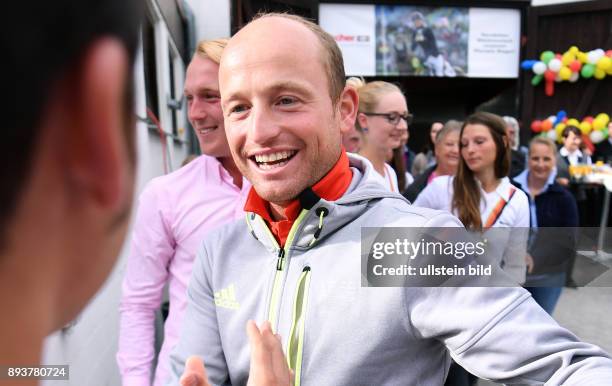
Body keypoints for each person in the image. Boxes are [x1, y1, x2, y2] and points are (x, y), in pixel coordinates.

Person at [167, 13, 612, 386]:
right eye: (239, 108)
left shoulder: (406, 241)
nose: (259, 132)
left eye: (285, 100)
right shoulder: (220, 251)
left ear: (344, 110)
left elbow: (567, 369)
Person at [117, 39, 251, 386]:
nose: (194, 113)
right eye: (189, 98)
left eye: (209, 96)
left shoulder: (285, 188)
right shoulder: (166, 194)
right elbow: (138, 304)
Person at [513, 137, 579, 314]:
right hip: (511, 272)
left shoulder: (564, 198)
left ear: (554, 161)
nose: (540, 164)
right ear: (528, 160)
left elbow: (569, 239)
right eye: (535, 158)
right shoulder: (511, 189)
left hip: (548, 274)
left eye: (546, 159)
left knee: (539, 326)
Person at [346, 77, 411, 193]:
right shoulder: (352, 176)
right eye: (392, 117)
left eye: (404, 117)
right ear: (363, 121)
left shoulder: (389, 172)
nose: (403, 126)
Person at [403, 119, 461, 202]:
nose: (455, 150)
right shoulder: (416, 189)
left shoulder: (476, 183)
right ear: (437, 148)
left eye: (461, 145)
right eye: (449, 144)